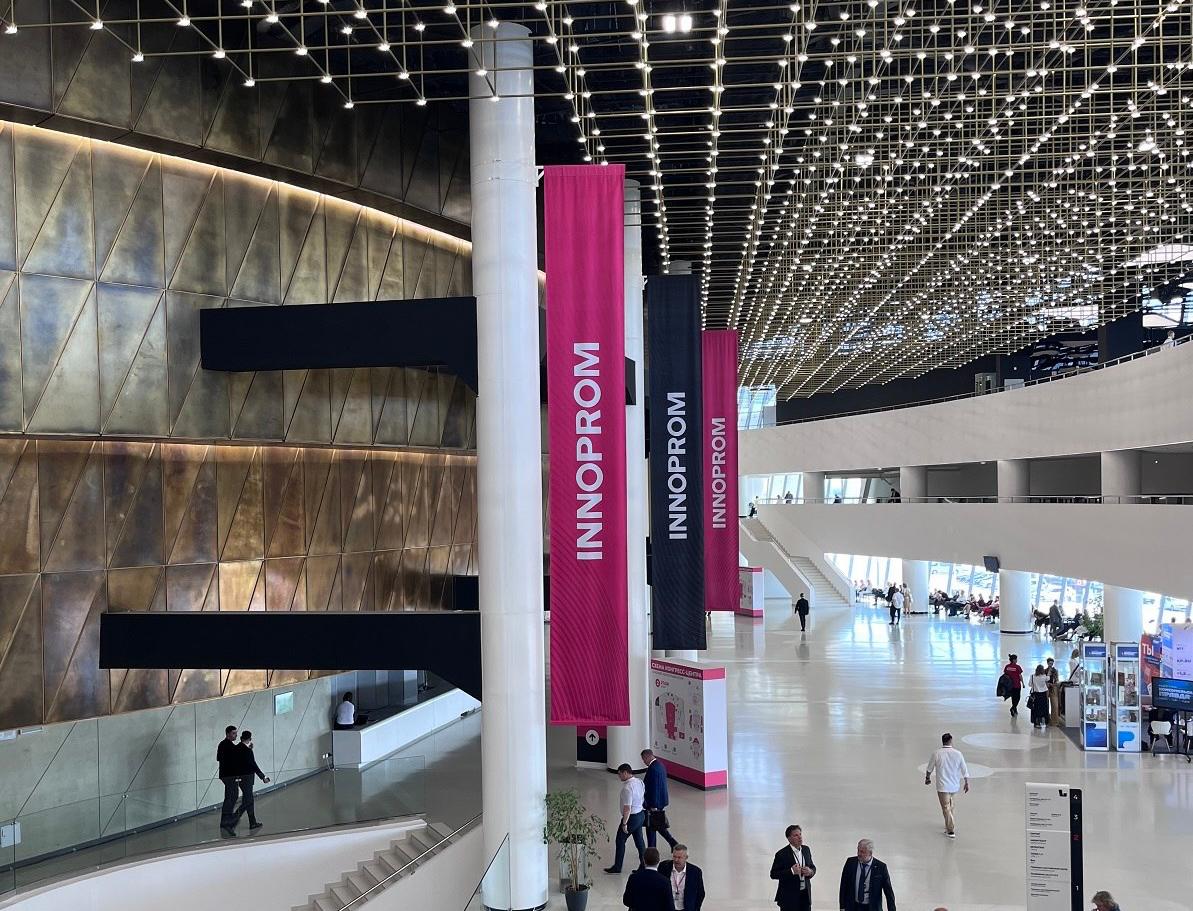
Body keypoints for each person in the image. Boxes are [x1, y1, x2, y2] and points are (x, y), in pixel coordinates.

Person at [924, 733, 970, 838]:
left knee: (946, 807)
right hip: (954, 785)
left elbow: (929, 768)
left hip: (942, 786)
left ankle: (950, 830)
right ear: (951, 740)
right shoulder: (958, 754)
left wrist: (927, 778)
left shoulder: (937, 753)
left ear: (942, 741)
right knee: (951, 807)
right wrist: (966, 782)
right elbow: (964, 769)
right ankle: (948, 826)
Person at [605, 763, 647, 873]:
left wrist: (624, 823)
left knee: (620, 840)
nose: (619, 776)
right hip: (640, 815)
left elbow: (627, 808)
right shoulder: (639, 782)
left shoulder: (627, 788)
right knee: (639, 842)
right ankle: (644, 866)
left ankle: (617, 867)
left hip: (631, 818)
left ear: (625, 773)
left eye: (619, 774)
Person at [229, 730, 270, 832]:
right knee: (248, 801)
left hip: (239, 778)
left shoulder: (236, 748)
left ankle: (252, 822)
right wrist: (263, 777)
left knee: (248, 800)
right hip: (247, 778)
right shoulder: (247, 751)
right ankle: (232, 820)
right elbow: (253, 765)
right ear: (250, 739)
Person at [838, 839, 896, 910]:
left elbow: (889, 893)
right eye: (858, 850)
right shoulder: (850, 863)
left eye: (862, 852)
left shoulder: (881, 868)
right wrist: (842, 907)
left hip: (872, 908)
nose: (859, 854)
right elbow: (843, 886)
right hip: (853, 907)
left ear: (870, 853)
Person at [770, 824, 816, 911]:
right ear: (789, 838)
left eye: (800, 834)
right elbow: (773, 874)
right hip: (788, 898)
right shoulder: (781, 854)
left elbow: (813, 867)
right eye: (796, 835)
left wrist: (810, 871)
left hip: (805, 895)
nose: (800, 837)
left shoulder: (806, 850)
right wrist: (791, 871)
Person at [641, 749, 677, 850]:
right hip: (661, 800)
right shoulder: (660, 765)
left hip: (654, 803)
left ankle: (652, 849)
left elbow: (654, 788)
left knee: (651, 825)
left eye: (643, 759)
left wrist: (653, 805)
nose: (644, 762)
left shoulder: (653, 769)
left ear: (647, 757)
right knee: (657, 824)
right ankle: (672, 843)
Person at [621, 847, 672, 911]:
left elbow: (626, 901)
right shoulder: (665, 881)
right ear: (658, 861)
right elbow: (669, 906)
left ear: (644, 860)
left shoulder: (633, 878)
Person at [659, 844, 705, 911]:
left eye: (679, 857)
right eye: (674, 857)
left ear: (686, 857)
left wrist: (695, 909)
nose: (676, 860)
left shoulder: (695, 872)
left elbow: (700, 893)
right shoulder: (664, 867)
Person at [217, 724, 240, 835]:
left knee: (231, 796)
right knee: (231, 796)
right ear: (228, 734)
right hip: (228, 775)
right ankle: (227, 821)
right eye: (234, 733)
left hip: (228, 775)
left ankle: (226, 819)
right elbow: (224, 759)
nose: (236, 735)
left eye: (236, 733)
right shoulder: (226, 745)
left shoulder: (226, 745)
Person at [1046, 658, 1062, 727]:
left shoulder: (1055, 671)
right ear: (1047, 663)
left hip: (1053, 688)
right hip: (1046, 689)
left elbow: (1057, 680)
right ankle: (1047, 720)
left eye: (1052, 663)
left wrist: (1055, 684)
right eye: (1050, 663)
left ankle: (1055, 721)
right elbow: (1043, 680)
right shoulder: (1045, 671)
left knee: (1055, 705)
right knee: (1046, 705)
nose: (1051, 665)